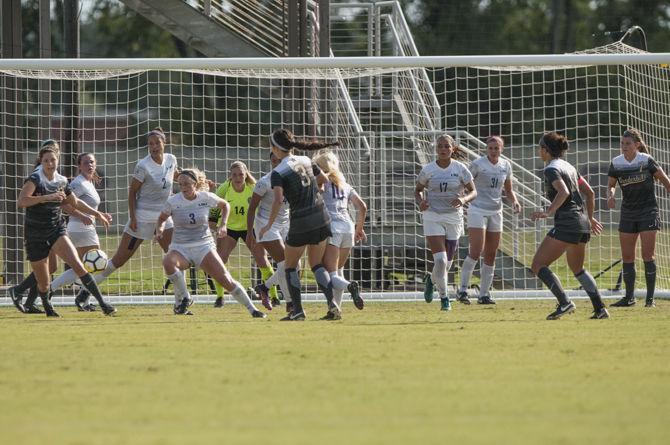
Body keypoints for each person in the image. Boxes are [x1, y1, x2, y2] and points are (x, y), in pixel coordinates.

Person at [11, 140, 115, 317]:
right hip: (35, 233)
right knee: (44, 281)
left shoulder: (61, 180)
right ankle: (37, 301)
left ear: (58, 160)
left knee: (78, 265)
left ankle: (103, 304)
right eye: (46, 161)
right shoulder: (35, 178)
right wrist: (47, 197)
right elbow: (22, 201)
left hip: (56, 229)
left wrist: (97, 215)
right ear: (41, 161)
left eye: (53, 160)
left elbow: (74, 202)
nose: (50, 163)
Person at [74, 127, 178, 303]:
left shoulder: (171, 160)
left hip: (163, 217)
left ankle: (181, 299)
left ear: (164, 143)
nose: (154, 147)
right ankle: (85, 291)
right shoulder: (143, 165)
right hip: (142, 217)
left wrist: (197, 180)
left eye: (157, 143)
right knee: (119, 260)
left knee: (175, 257)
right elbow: (132, 193)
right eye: (150, 144)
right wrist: (134, 218)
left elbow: (173, 176)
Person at [156, 168, 265, 318]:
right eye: (180, 184)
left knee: (226, 280)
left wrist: (223, 224)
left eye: (187, 184)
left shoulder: (205, 197)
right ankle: (186, 297)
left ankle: (253, 309)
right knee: (168, 262)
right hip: (180, 247)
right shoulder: (173, 201)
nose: (183, 188)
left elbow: (225, 205)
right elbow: (161, 218)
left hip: (203, 246)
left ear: (195, 183)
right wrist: (160, 230)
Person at [256, 128, 338, 321]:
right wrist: (311, 193)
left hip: (301, 220)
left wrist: (268, 225)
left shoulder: (277, 172)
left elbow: (277, 200)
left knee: (290, 266)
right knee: (316, 264)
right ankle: (332, 304)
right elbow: (323, 180)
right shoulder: (306, 160)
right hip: (321, 216)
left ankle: (298, 311)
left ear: (275, 148)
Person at [530, 131, 608, 320]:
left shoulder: (551, 169)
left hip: (568, 222)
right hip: (581, 223)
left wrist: (548, 212)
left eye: (540, 148)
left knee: (538, 264)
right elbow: (590, 194)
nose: (539, 151)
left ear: (545, 150)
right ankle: (600, 309)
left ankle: (565, 302)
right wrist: (590, 218)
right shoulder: (570, 168)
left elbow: (563, 192)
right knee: (578, 269)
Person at [607, 128, 670, 308]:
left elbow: (665, 180)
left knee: (647, 255)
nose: (624, 147)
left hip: (648, 211)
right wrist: (610, 195)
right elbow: (611, 184)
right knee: (627, 257)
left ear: (637, 145)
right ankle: (629, 298)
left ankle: (650, 300)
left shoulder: (646, 160)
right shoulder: (616, 163)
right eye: (622, 144)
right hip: (628, 213)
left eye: (628, 144)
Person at [415, 134, 477, 311]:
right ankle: (444, 299)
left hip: (454, 217)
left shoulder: (461, 169)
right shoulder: (428, 170)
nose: (443, 149)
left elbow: (473, 192)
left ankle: (431, 280)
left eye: (446, 147)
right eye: (440, 146)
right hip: (432, 215)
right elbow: (418, 190)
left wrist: (464, 200)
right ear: (436, 149)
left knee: (447, 264)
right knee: (440, 261)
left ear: (452, 149)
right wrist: (421, 202)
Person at [457, 136, 521, 305]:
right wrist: (462, 198)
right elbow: (465, 183)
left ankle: (484, 294)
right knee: (476, 250)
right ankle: (462, 289)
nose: (493, 151)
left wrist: (514, 201)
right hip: (477, 209)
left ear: (502, 149)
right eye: (490, 148)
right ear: (487, 149)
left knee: (491, 253)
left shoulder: (506, 165)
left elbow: (508, 190)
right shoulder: (478, 164)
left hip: (496, 211)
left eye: (496, 148)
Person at [48, 153, 112, 311]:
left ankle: (80, 299)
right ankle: (77, 296)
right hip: (80, 229)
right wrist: (81, 216)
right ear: (79, 166)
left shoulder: (89, 182)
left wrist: (101, 215)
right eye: (85, 163)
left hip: (85, 229)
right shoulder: (78, 183)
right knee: (95, 265)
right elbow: (64, 204)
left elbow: (89, 206)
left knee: (82, 267)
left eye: (91, 162)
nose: (89, 165)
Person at [209, 161, 276, 310]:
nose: (238, 177)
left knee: (262, 260)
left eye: (241, 174)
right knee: (220, 259)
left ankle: (274, 296)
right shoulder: (224, 189)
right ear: (230, 176)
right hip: (230, 228)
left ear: (246, 175)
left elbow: (265, 206)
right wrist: (214, 224)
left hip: (250, 228)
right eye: (234, 175)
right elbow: (214, 208)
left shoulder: (254, 188)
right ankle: (220, 297)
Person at [312, 150, 367, 320]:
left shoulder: (321, 182)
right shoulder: (345, 184)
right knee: (338, 271)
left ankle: (350, 286)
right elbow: (362, 207)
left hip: (332, 227)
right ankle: (335, 311)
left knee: (330, 273)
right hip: (348, 228)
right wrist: (359, 228)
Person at [246, 153, 293, 313]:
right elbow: (252, 208)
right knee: (284, 263)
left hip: (285, 224)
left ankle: (264, 287)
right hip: (265, 225)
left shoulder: (293, 180)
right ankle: (290, 303)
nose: (277, 163)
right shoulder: (264, 182)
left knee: (295, 265)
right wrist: (250, 233)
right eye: (274, 161)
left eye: (280, 161)